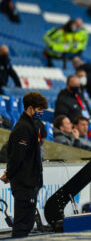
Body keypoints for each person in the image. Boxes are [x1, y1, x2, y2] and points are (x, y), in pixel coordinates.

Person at [0, 92, 48, 237]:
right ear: (30, 109)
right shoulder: (23, 127)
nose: (41, 113)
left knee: (27, 224)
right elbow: (17, 156)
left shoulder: (32, 125)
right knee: (22, 225)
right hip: (24, 183)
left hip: (31, 183)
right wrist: (9, 174)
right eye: (39, 110)